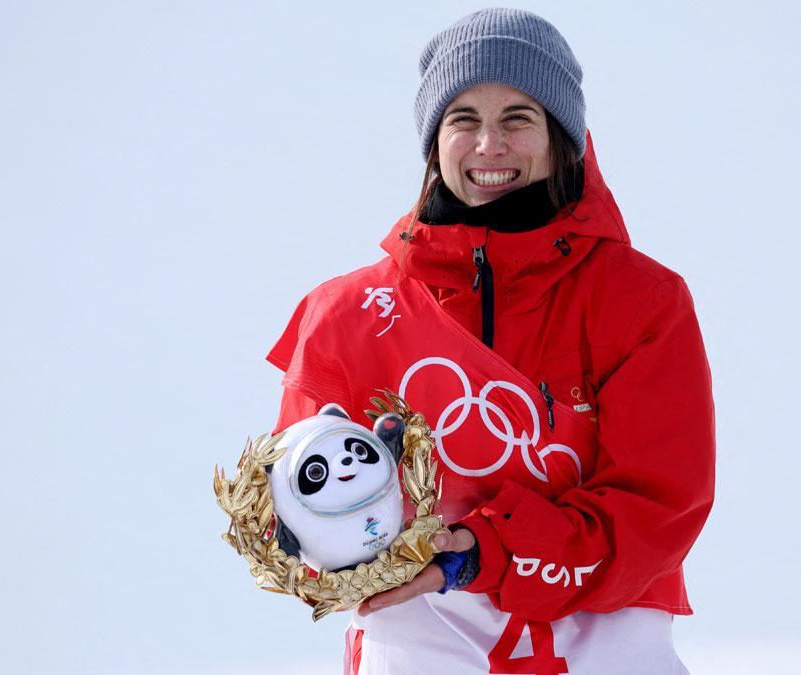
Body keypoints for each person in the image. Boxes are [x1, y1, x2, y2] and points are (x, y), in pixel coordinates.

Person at [266, 8, 714, 674]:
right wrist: (308, 536)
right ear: (433, 142)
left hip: (606, 632)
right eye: (464, 119)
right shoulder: (347, 315)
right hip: (417, 633)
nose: (488, 145)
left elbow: (657, 509)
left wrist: (485, 549)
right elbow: (308, 501)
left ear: (562, 138)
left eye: (517, 119)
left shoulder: (642, 301)